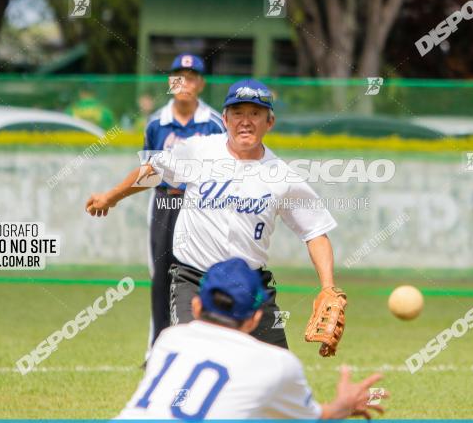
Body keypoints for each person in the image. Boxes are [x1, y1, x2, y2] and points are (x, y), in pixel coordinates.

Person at [39, 258, 385, 423]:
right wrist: (343, 406)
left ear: (195, 304)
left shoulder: (169, 339)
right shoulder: (276, 363)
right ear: (253, 318)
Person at [86, 79, 345, 357]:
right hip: (194, 280)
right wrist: (111, 196)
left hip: (251, 285)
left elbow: (315, 231)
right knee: (188, 360)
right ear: (224, 119)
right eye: (237, 113)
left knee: (276, 366)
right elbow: (154, 170)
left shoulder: (281, 175)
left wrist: (328, 286)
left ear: (270, 122)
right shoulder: (198, 150)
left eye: (255, 113)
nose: (245, 121)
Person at [141, 54, 225, 349]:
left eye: (191, 77)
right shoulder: (156, 124)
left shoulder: (214, 123)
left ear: (200, 83)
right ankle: (159, 348)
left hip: (199, 204)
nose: (184, 82)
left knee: (202, 272)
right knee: (161, 276)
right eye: (178, 76)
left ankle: (204, 345)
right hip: (165, 203)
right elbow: (148, 171)